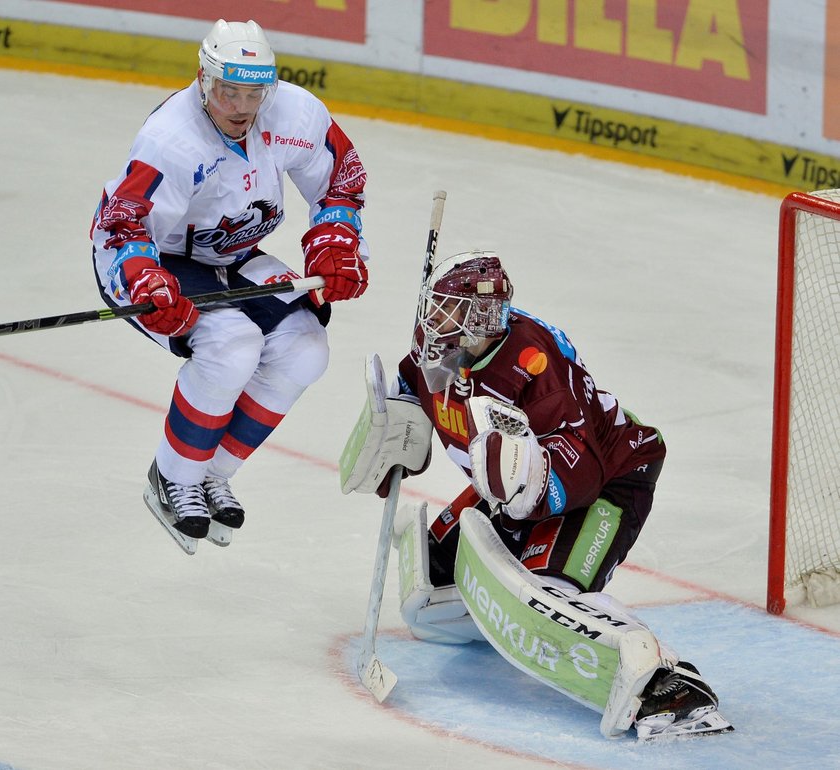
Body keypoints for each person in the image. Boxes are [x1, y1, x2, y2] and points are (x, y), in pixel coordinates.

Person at [353, 249, 731, 740]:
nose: (434, 318)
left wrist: (522, 485)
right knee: (434, 582)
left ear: (479, 320)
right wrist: (395, 428)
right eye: (435, 305)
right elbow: (412, 384)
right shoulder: (442, 348)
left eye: (448, 309)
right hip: (509, 486)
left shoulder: (535, 367)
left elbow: (581, 468)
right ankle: (514, 547)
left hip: (606, 479)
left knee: (549, 593)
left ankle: (667, 684)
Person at [90, 19, 369, 554]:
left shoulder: (297, 113)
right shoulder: (170, 138)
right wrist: (145, 280)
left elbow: (341, 178)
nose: (240, 106)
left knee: (307, 350)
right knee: (232, 346)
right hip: (148, 257)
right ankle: (173, 476)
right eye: (228, 91)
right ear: (203, 80)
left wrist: (336, 240)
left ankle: (210, 473)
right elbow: (125, 222)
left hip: (231, 252)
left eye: (253, 92)